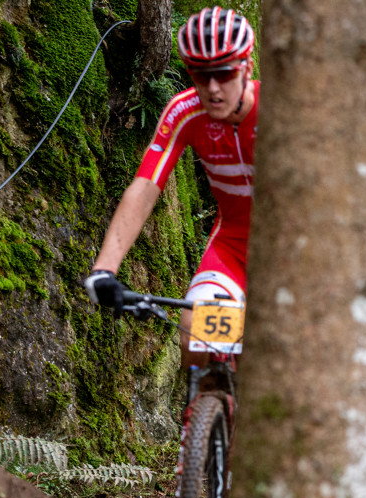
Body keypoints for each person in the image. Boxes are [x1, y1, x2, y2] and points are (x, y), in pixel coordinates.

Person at [83, 6, 257, 372]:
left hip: (295, 253)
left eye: (223, 73)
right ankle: (205, 415)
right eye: (200, 73)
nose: (211, 87)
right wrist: (105, 270)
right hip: (233, 249)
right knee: (193, 332)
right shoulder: (185, 112)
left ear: (247, 68)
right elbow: (145, 187)